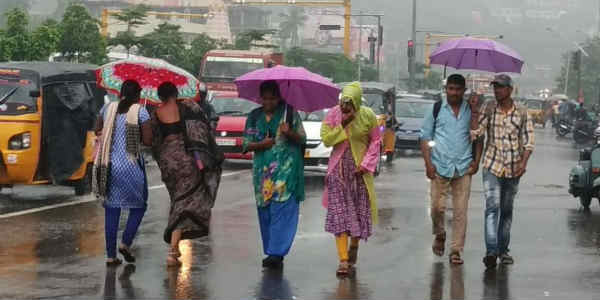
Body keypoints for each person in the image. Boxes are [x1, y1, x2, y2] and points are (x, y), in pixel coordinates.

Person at [151, 82, 224, 267]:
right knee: (185, 203)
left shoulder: (156, 113)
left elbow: (153, 141)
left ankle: (174, 250)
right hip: (189, 160)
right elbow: (204, 127)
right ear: (176, 93)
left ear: (159, 96)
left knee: (178, 201)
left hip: (168, 163)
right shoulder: (189, 107)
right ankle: (173, 251)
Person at [470, 74, 535, 269]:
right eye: (495, 87)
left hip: (514, 168)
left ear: (510, 90)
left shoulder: (522, 112)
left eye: (500, 87)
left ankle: (503, 250)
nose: (496, 90)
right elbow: (477, 134)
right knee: (492, 207)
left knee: (506, 211)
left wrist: (523, 164)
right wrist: (474, 112)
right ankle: (491, 251)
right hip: (492, 165)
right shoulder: (489, 108)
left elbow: (529, 141)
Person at [419, 74, 483, 265]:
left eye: (458, 89)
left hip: (463, 167)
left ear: (464, 90)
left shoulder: (471, 111)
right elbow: (425, 137)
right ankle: (440, 234)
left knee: (460, 212)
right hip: (439, 165)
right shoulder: (436, 109)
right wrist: (428, 164)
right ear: (446, 90)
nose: (454, 93)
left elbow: (478, 137)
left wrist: (476, 161)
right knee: (437, 208)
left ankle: (456, 250)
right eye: (451, 89)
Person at [242, 80, 306, 270]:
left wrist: (290, 132)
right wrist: (263, 144)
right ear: (261, 98)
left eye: (273, 98)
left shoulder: (290, 113)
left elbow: (302, 138)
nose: (269, 102)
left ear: (279, 97)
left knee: (282, 210)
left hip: (286, 172)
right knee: (266, 211)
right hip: (262, 174)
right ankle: (271, 249)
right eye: (265, 98)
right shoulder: (254, 116)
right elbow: (246, 145)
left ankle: (276, 253)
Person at [321, 82, 381, 276]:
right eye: (343, 101)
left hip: (359, 174)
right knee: (340, 216)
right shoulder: (333, 115)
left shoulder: (368, 116)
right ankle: (343, 260)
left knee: (356, 214)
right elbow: (327, 140)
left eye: (349, 102)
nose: (345, 106)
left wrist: (364, 165)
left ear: (356, 102)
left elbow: (376, 141)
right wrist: (342, 125)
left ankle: (353, 246)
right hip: (337, 174)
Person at [94, 80, 153, 266]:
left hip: (109, 165)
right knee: (139, 206)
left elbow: (97, 128)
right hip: (131, 165)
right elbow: (149, 140)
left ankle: (111, 256)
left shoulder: (108, 108)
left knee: (112, 210)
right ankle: (126, 243)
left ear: (121, 92)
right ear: (137, 95)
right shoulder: (140, 111)